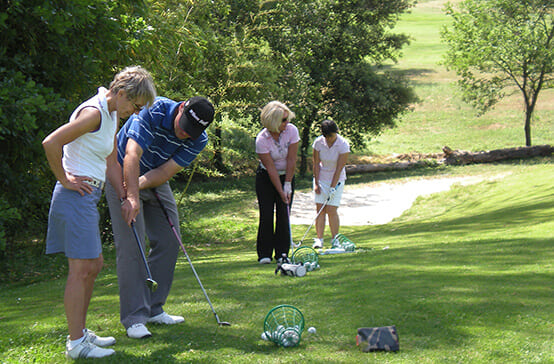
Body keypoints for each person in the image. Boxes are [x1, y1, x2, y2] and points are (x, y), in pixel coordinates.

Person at [42, 66, 156, 359]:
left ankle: (80, 332)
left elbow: (112, 163)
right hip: (75, 196)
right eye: (135, 104)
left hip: (88, 196)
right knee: (81, 270)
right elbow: (51, 142)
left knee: (93, 266)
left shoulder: (111, 114)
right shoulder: (93, 113)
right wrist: (65, 179)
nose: (135, 111)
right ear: (120, 93)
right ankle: (76, 343)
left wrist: (125, 197)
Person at [105, 95, 215, 339]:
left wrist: (139, 185)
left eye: (192, 132)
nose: (185, 134)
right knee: (132, 244)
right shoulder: (154, 110)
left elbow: (165, 171)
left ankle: (154, 308)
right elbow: (132, 154)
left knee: (169, 238)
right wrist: (130, 194)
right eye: (184, 126)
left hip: (153, 177)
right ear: (182, 107)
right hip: (121, 171)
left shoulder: (199, 139)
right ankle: (134, 318)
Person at [255, 101, 299, 264]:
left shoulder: (292, 131)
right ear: (273, 121)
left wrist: (287, 184)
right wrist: (280, 191)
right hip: (266, 177)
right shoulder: (261, 139)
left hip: (287, 174)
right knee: (266, 214)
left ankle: (282, 253)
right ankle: (264, 254)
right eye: (283, 120)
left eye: (287, 119)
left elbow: (292, 159)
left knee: (284, 213)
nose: (287, 123)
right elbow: (270, 168)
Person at [311, 119, 350, 249]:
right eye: (326, 137)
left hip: (337, 180)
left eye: (331, 136)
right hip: (321, 178)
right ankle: (319, 240)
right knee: (320, 209)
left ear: (336, 133)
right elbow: (316, 163)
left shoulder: (343, 144)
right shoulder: (318, 142)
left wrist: (333, 187)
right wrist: (316, 183)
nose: (329, 139)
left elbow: (339, 168)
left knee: (331, 210)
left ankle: (335, 239)